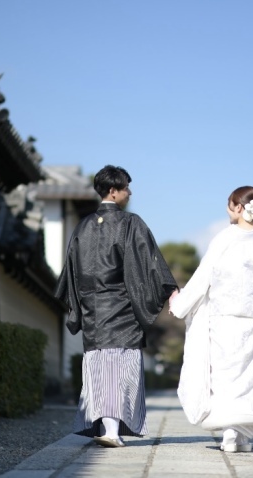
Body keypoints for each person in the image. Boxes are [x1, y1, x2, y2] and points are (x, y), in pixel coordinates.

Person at [54, 165, 178, 448]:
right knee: (120, 370)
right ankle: (111, 430)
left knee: (99, 371)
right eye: (126, 187)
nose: (130, 192)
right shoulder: (130, 224)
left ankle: (106, 426)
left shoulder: (82, 226)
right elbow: (149, 263)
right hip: (122, 309)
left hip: (93, 312)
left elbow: (71, 272)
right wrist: (170, 288)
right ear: (113, 190)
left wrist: (80, 304)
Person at [169, 186, 253, 453]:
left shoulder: (223, 240)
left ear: (240, 208)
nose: (228, 211)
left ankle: (230, 433)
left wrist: (179, 303)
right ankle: (241, 436)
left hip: (224, 321)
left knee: (226, 378)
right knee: (250, 379)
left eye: (229, 206)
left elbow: (203, 277)